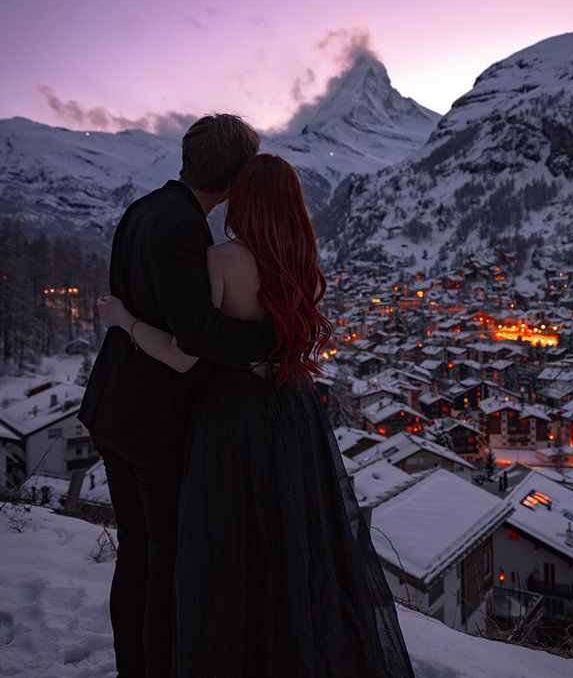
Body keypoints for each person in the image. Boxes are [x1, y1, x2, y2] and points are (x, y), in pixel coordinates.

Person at [98, 153, 416, 678]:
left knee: (230, 552)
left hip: (232, 420)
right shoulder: (304, 262)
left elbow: (186, 351)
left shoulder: (222, 259)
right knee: (294, 538)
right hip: (294, 411)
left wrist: (123, 319)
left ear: (243, 199)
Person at [78, 114, 277, 678]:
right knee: (161, 559)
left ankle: (133, 665)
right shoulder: (185, 228)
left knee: (138, 555)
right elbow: (198, 336)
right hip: (152, 422)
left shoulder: (141, 210)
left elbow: (132, 303)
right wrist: (279, 335)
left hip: (114, 407)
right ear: (236, 177)